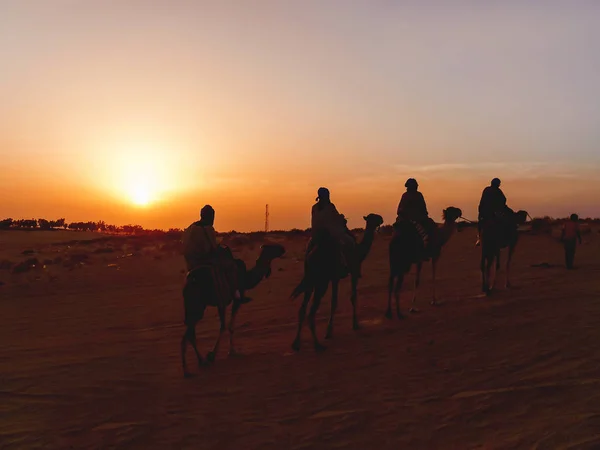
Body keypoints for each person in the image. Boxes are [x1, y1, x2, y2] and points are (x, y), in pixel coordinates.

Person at [182, 205, 242, 301]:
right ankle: (235, 292)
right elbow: (211, 247)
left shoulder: (190, 228)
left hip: (190, 262)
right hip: (203, 260)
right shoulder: (207, 228)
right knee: (231, 266)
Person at [309, 187, 360, 276]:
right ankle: (346, 265)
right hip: (330, 234)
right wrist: (341, 219)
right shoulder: (330, 206)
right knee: (349, 242)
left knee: (309, 248)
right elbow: (334, 219)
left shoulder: (314, 207)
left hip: (316, 235)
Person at [396, 178, 437, 257]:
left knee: (431, 227)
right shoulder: (406, 196)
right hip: (409, 219)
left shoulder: (418, 195)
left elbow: (423, 208)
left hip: (418, 218)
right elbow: (400, 209)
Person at [476, 178, 508, 246]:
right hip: (491, 213)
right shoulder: (497, 191)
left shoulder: (487, 190)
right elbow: (503, 200)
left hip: (485, 212)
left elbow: (482, 201)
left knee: (480, 223)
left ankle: (479, 238)